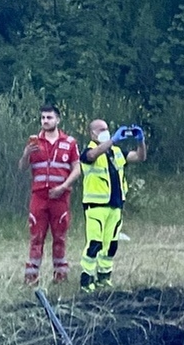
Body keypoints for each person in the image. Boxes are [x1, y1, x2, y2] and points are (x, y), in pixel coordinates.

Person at [78, 119, 146, 292]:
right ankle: (86, 280)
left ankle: (104, 277)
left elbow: (140, 157)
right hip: (96, 206)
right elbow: (92, 156)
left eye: (107, 129)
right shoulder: (88, 151)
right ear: (92, 133)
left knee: (111, 245)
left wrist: (141, 141)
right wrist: (113, 140)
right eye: (101, 129)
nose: (105, 132)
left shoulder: (116, 152)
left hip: (115, 205)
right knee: (95, 243)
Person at [19, 104, 81, 284]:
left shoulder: (69, 143)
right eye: (43, 118)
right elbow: (22, 168)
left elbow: (77, 169)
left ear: (58, 120)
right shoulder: (34, 142)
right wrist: (25, 155)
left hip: (60, 196)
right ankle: (31, 277)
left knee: (60, 236)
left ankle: (60, 276)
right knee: (36, 236)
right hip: (39, 196)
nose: (45, 121)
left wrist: (64, 186)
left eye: (49, 117)